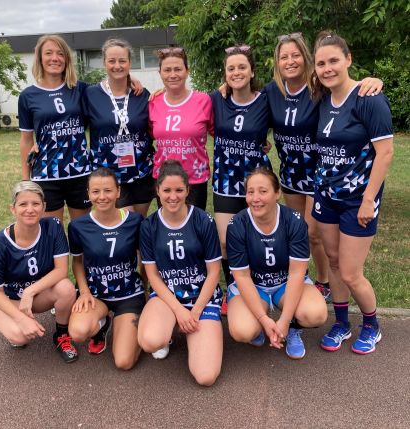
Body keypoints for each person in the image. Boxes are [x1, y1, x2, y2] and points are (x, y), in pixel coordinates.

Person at [262, 32, 384, 300]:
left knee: (314, 233)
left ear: (306, 59)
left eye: (296, 55)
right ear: (277, 62)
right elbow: (248, 106)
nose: (290, 61)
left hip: (320, 174)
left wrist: (374, 80)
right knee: (299, 232)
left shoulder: (319, 88)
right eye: (284, 57)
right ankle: (302, 278)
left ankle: (323, 280)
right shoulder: (272, 91)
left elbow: (348, 89)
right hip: (290, 173)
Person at [312, 32, 393, 354]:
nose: (328, 68)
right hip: (326, 196)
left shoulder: (368, 97)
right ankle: (342, 322)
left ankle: (372, 325)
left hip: (358, 200)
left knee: (350, 271)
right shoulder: (321, 100)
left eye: (333, 60)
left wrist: (369, 199)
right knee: (332, 262)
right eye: (321, 63)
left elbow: (385, 153)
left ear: (348, 59)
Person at [226, 168, 327, 359]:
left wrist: (285, 320)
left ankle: (293, 329)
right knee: (243, 330)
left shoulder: (294, 221)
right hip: (254, 286)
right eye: (250, 192)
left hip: (285, 283)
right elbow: (242, 276)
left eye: (263, 191)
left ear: (277, 193)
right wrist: (264, 320)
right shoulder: (237, 225)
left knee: (316, 314)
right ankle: (259, 326)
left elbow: (297, 273)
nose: (256, 198)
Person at [138, 160, 223, 386]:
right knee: (149, 341)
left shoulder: (203, 220)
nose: (172, 196)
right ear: (157, 191)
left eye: (178, 190)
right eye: (166, 190)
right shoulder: (149, 226)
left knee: (206, 377)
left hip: (201, 299)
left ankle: (194, 334)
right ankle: (168, 330)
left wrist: (194, 312)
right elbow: (153, 275)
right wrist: (179, 310)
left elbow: (214, 272)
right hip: (168, 298)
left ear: (187, 190)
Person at [0, 181, 78, 363]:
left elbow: (61, 270)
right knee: (19, 337)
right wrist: (20, 319)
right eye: (23, 204)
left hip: (35, 296)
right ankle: (13, 324)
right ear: (13, 209)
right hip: (8, 299)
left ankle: (61, 335)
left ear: (44, 207)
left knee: (66, 288)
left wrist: (30, 291)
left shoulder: (53, 226)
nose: (30, 209)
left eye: (35, 204)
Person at [211, 45, 272, 311]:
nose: (236, 72)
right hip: (225, 177)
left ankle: (261, 287)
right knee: (225, 240)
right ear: (225, 73)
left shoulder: (266, 99)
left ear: (251, 71)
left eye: (242, 67)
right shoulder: (216, 99)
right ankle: (233, 287)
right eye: (231, 68)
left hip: (256, 179)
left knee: (256, 237)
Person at [67, 168, 144, 369]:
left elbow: (145, 259)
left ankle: (138, 329)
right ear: (88, 194)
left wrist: (146, 289)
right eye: (96, 192)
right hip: (96, 295)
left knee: (124, 362)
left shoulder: (135, 221)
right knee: (78, 332)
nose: (102, 197)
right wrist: (83, 292)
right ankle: (102, 324)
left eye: (108, 190)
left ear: (118, 191)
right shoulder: (78, 226)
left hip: (129, 295)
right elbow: (77, 262)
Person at [19, 34, 91, 222]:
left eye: (60, 53)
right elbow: (27, 139)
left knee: (82, 234)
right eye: (48, 53)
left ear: (66, 58)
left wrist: (131, 80)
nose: (54, 58)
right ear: (40, 58)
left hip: (80, 171)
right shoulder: (28, 96)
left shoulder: (80, 89)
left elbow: (110, 91)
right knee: (53, 234)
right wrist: (27, 182)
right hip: (46, 174)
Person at [82, 38, 155, 218]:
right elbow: (77, 126)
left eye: (122, 61)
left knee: (139, 223)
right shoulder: (90, 94)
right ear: (104, 63)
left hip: (141, 171)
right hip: (108, 174)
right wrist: (37, 143)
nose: (117, 66)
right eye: (112, 61)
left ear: (130, 63)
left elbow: (153, 127)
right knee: (125, 225)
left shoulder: (141, 94)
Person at [149, 47, 213, 210]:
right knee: (168, 228)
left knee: (194, 228)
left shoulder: (203, 100)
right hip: (164, 180)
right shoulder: (153, 102)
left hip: (195, 179)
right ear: (160, 73)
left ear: (187, 71)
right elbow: (149, 133)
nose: (172, 74)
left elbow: (219, 132)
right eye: (167, 70)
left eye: (178, 69)